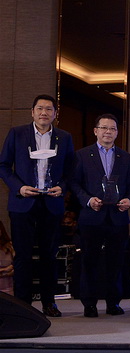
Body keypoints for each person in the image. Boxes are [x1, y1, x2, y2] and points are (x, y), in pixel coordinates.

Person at [0, 94, 75, 316]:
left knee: (49, 256)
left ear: (55, 114)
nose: (44, 113)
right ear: (32, 112)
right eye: (40, 108)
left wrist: (62, 187)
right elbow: (3, 166)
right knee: (22, 256)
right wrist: (19, 188)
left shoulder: (64, 137)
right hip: (23, 203)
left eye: (49, 109)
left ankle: (49, 303)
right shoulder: (17, 133)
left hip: (51, 203)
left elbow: (71, 170)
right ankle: (23, 305)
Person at [70, 113, 130, 317]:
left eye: (113, 129)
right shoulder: (82, 155)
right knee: (89, 260)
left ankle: (113, 302)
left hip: (117, 216)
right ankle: (89, 304)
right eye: (104, 128)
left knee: (116, 262)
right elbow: (74, 183)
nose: (108, 132)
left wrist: (129, 199)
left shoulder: (125, 157)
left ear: (117, 132)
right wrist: (88, 200)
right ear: (95, 131)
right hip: (92, 216)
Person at [0, 221, 14, 295]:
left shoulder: (10, 247)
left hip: (9, 290)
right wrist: (5, 270)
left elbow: (15, 268)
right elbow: (8, 270)